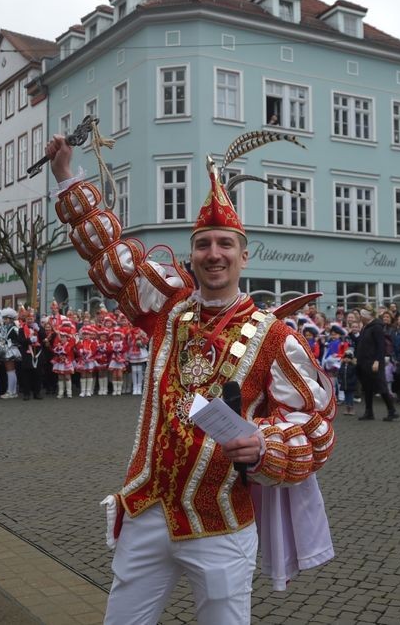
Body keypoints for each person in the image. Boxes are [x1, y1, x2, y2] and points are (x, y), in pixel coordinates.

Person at [46, 132, 335, 623]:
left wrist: (265, 444)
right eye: (203, 244)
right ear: (192, 255)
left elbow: (315, 425)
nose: (213, 253)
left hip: (220, 520)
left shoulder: (275, 338)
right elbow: (111, 261)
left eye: (225, 244)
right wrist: (67, 177)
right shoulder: (169, 305)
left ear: (245, 256)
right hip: (145, 511)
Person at [356, 308, 398, 421]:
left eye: (363, 314)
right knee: (367, 388)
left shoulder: (377, 327)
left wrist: (377, 361)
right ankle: (369, 412)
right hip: (364, 362)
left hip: (373, 362)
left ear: (369, 315)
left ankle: (392, 411)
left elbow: (381, 346)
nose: (361, 316)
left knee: (382, 387)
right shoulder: (365, 327)